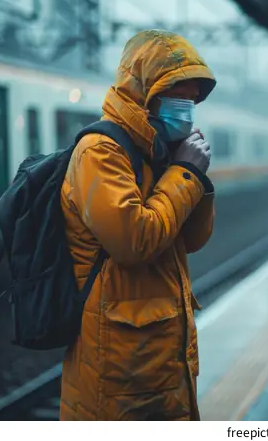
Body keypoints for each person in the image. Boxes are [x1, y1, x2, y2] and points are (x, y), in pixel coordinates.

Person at [59, 30, 216, 421]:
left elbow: (194, 239)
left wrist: (192, 176)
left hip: (159, 365)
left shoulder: (157, 150)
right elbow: (135, 241)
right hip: (118, 372)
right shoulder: (101, 151)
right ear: (144, 92)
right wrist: (184, 174)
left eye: (193, 100)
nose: (187, 108)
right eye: (179, 96)